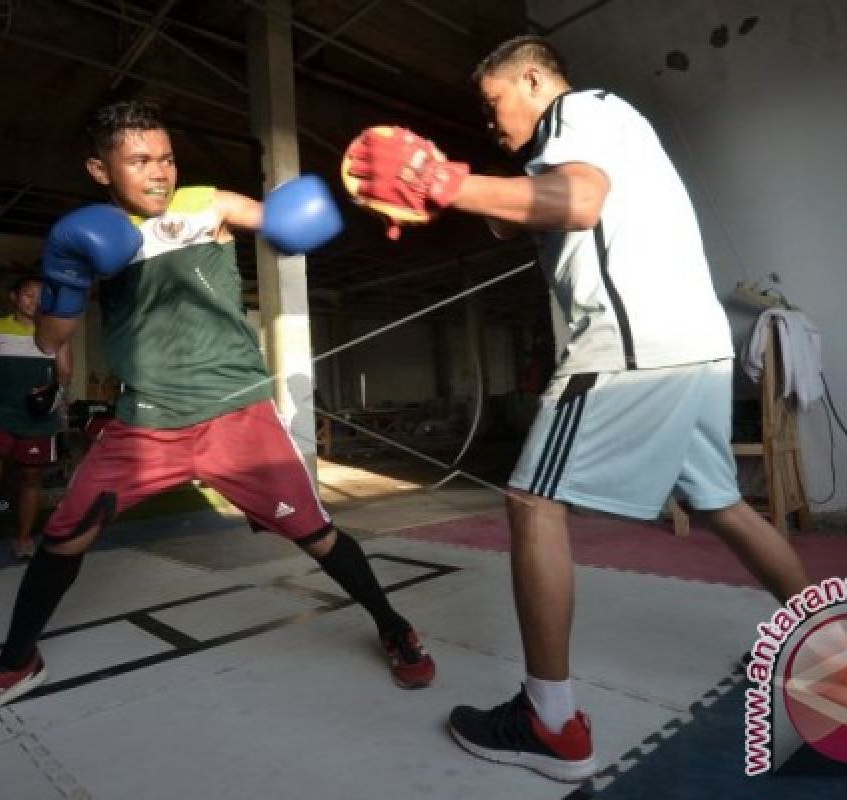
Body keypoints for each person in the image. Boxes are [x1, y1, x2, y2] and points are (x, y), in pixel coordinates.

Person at [344, 35, 810, 783]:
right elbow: (527, 212)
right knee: (721, 502)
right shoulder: (606, 127)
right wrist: (434, 191)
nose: (492, 122)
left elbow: (579, 200)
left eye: (494, 102)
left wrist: (444, 178)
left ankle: (550, 723)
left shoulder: (576, 113)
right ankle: (833, 636)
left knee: (533, 504)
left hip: (631, 349)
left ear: (532, 78)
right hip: (693, 344)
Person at [0, 99, 433, 732]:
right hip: (145, 424)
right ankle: (15, 661)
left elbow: (280, 221)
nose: (160, 172)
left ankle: (394, 626)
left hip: (235, 418)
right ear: (99, 168)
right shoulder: (93, 237)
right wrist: (65, 273)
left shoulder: (208, 203)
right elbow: (53, 341)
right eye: (139, 161)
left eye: (166, 157)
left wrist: (360, 197)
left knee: (317, 535)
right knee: (65, 537)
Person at [0, 276, 71, 572]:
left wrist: (50, 395)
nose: (35, 301)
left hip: (36, 418)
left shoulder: (56, 334)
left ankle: (23, 540)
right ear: (14, 296)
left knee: (31, 479)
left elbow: (65, 376)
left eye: (42, 296)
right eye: (29, 294)